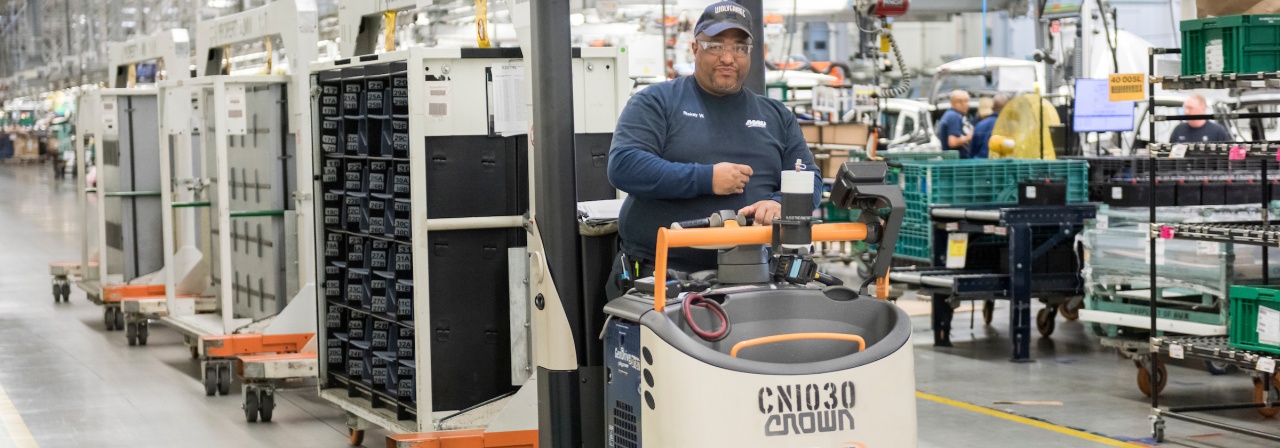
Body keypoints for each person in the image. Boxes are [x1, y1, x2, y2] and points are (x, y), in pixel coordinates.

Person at [605, 1, 823, 299]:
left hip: (757, 278)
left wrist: (780, 204)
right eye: (716, 46)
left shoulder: (776, 115)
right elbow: (624, 166)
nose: (728, 58)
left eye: (740, 48)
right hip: (662, 280)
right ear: (695, 48)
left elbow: (809, 176)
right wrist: (705, 179)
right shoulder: (656, 102)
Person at [936, 90, 974, 157]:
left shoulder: (949, 115)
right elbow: (953, 142)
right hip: (956, 164)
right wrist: (969, 137)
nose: (968, 104)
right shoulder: (954, 116)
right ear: (956, 103)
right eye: (965, 101)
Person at [969, 94, 1007, 159]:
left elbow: (972, 151)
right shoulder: (1009, 126)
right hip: (1001, 167)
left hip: (979, 166)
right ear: (1007, 108)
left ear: (992, 108)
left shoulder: (979, 125)